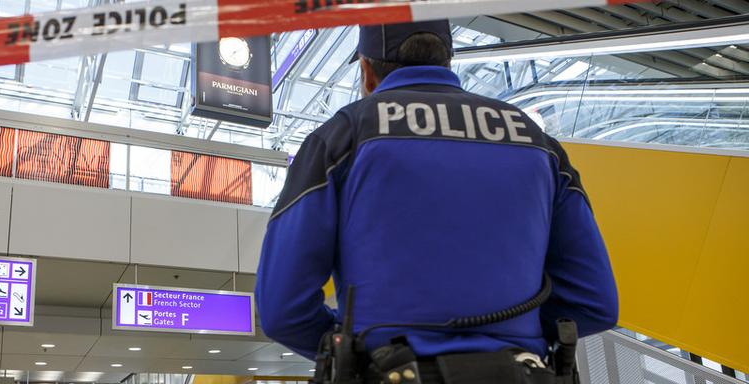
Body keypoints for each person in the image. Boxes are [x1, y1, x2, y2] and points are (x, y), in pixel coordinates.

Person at [254, 20, 619, 382]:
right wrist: (517, 341)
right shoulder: (537, 141)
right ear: (447, 60)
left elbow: (282, 310)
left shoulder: (343, 135)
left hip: (391, 371)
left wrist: (354, 353)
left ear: (367, 71)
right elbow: (594, 303)